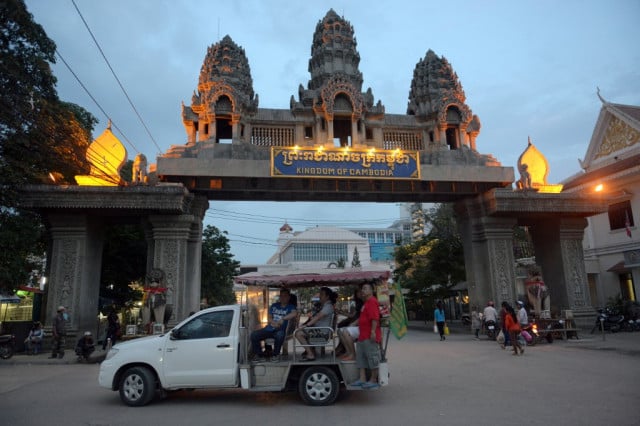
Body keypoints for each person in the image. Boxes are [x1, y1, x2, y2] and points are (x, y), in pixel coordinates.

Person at [250, 288, 297, 362]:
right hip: (269, 328)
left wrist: (283, 319)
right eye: (281, 296)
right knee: (254, 335)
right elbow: (269, 317)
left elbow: (294, 313)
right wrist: (273, 323)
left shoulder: (291, 307)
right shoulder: (274, 305)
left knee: (280, 335)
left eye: (285, 296)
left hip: (280, 330)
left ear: (289, 297)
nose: (283, 298)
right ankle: (259, 355)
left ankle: (275, 355)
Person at [350, 283, 381, 390]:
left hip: (369, 335)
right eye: (362, 288)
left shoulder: (372, 301)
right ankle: (362, 379)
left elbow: (375, 318)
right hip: (362, 336)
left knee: (372, 357)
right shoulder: (366, 303)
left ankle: (373, 380)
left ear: (372, 291)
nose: (363, 290)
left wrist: (373, 332)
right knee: (361, 358)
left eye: (365, 288)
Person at [295, 287, 335, 361]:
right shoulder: (324, 305)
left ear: (327, 297)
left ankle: (310, 354)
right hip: (319, 330)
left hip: (322, 332)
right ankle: (311, 351)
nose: (320, 296)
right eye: (320, 294)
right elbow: (315, 317)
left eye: (322, 294)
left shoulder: (328, 306)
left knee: (298, 333)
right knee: (301, 330)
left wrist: (306, 325)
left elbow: (318, 317)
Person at [337, 288, 363, 360]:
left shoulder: (366, 302)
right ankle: (348, 352)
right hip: (358, 325)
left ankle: (352, 354)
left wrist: (353, 324)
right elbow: (352, 315)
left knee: (345, 330)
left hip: (362, 326)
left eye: (360, 291)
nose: (359, 293)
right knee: (340, 330)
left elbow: (362, 317)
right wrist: (341, 312)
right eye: (357, 292)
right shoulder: (359, 303)